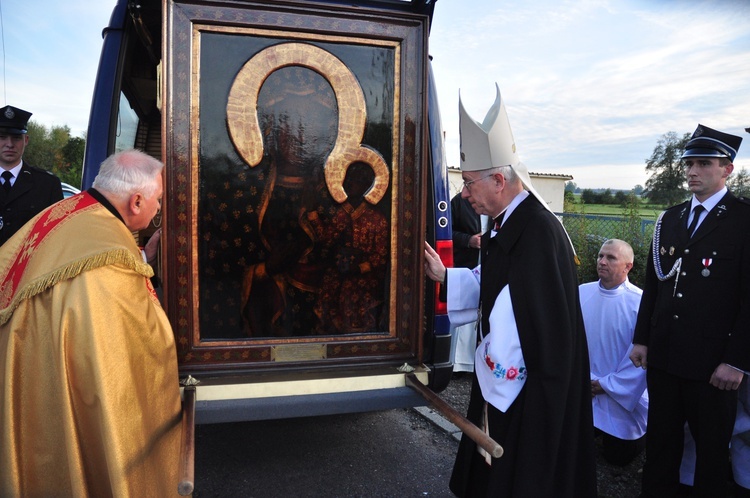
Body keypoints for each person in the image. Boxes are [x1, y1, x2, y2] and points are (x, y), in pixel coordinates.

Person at [424, 84, 597, 497]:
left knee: (524, 473)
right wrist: (445, 275)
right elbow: (493, 285)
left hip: (529, 385)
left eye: (468, 184)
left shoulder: (538, 231)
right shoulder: (503, 224)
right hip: (503, 374)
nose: (464, 194)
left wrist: (496, 365)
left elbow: (537, 323)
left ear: (499, 180)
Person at [0, 149, 181, 496]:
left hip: (27, 358)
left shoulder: (67, 212)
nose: (160, 210)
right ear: (137, 201)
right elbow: (125, 355)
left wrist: (144, 257)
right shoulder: (109, 262)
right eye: (158, 201)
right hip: (51, 375)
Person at [630, 124, 750, 497]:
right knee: (661, 446)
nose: (692, 171)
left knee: (712, 455)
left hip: (713, 366)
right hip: (665, 357)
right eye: (688, 164)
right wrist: (642, 340)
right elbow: (655, 286)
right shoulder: (671, 219)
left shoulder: (744, 221)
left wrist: (737, 361)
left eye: (703, 163)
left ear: (727, 169)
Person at [579, 239, 647, 466]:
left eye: (611, 258)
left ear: (628, 266)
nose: (602, 262)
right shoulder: (580, 294)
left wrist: (606, 385)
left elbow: (640, 356)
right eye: (600, 256)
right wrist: (581, 380)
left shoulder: (640, 303)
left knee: (619, 457)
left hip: (621, 394)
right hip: (584, 389)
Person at [0, 105, 64, 245]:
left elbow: (56, 236)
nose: (9, 144)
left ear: (26, 140)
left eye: (16, 138)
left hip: (30, 266)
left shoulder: (48, 185)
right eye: (2, 137)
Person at [449, 192, 483, 373]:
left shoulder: (499, 206)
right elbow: (446, 230)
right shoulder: (459, 202)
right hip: (466, 265)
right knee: (464, 314)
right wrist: (469, 240)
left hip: (488, 268)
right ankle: (459, 364)